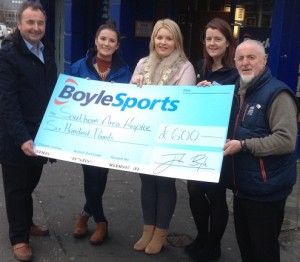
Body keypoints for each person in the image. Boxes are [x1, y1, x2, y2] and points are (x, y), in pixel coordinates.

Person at [223, 39, 298, 262]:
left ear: (264, 60)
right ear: (234, 62)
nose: (245, 63)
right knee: (246, 247)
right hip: (242, 187)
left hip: (267, 190)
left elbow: (286, 141)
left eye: (252, 57)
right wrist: (206, 94)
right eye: (241, 58)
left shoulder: (277, 94)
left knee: (264, 251)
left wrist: (245, 145)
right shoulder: (237, 90)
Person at [131, 18, 196, 255]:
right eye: (160, 37)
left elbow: (185, 104)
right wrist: (136, 84)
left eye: (169, 38)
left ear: (176, 41)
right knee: (147, 182)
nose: (163, 42)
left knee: (165, 183)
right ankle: (148, 229)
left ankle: (161, 233)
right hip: (144, 136)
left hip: (168, 137)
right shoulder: (142, 64)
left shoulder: (185, 67)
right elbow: (130, 103)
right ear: (153, 39)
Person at [0, 2, 57, 261]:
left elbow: (53, 90)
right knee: (16, 189)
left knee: (29, 183)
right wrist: (22, 137)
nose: (36, 28)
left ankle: (27, 222)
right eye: (30, 22)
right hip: (15, 137)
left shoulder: (47, 50)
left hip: (41, 134)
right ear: (20, 24)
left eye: (40, 23)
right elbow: (7, 102)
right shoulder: (8, 54)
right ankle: (19, 238)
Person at [68, 20, 131, 245]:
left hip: (110, 135)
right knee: (90, 174)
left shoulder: (125, 71)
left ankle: (85, 214)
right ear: (96, 41)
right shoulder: (78, 67)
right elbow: (66, 101)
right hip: (85, 134)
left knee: (101, 175)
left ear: (116, 46)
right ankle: (101, 221)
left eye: (111, 40)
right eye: (103, 39)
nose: (106, 43)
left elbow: (131, 105)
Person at [185, 18, 239, 262]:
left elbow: (238, 105)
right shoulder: (199, 67)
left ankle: (214, 244)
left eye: (218, 39)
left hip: (221, 141)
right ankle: (202, 236)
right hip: (198, 139)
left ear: (228, 42)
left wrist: (216, 90)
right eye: (208, 39)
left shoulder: (236, 73)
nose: (212, 43)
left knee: (216, 195)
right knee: (194, 190)